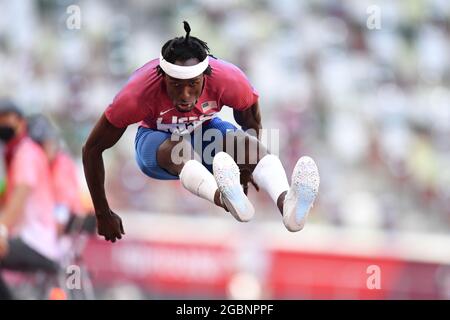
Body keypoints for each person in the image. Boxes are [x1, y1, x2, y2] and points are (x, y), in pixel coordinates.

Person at [83, 21, 320, 243]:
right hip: (155, 142)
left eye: (193, 84)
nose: (185, 95)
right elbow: (92, 149)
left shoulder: (229, 80)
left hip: (204, 130)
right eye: (176, 85)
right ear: (162, 77)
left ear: (206, 77)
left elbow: (252, 124)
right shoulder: (137, 94)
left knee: (245, 145)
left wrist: (247, 171)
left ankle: (288, 205)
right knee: (179, 149)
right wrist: (102, 212)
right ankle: (223, 196)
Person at [0, 101, 59, 300]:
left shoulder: (26, 153)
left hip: (36, 242)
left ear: (21, 123)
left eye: (7, 121)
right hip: (28, 238)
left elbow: (19, 198)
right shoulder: (16, 154)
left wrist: (1, 230)